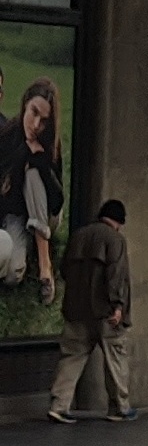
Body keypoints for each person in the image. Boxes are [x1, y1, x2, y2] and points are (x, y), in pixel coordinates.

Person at [51, 197, 134, 425]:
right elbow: (116, 274)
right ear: (119, 221)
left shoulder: (78, 235)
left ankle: (59, 405)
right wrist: (117, 306)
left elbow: (65, 269)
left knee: (72, 357)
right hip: (105, 311)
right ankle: (119, 407)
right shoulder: (115, 239)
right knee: (115, 359)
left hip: (76, 309)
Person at [0, 74, 62, 304]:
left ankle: (46, 268)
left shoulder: (50, 143)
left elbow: (57, 201)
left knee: (34, 174)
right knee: (12, 275)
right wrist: (25, 153)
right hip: (17, 213)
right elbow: (5, 195)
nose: (36, 126)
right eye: (34, 112)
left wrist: (41, 161)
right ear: (26, 102)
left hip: (47, 214)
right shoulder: (7, 134)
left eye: (44, 120)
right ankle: (27, 247)